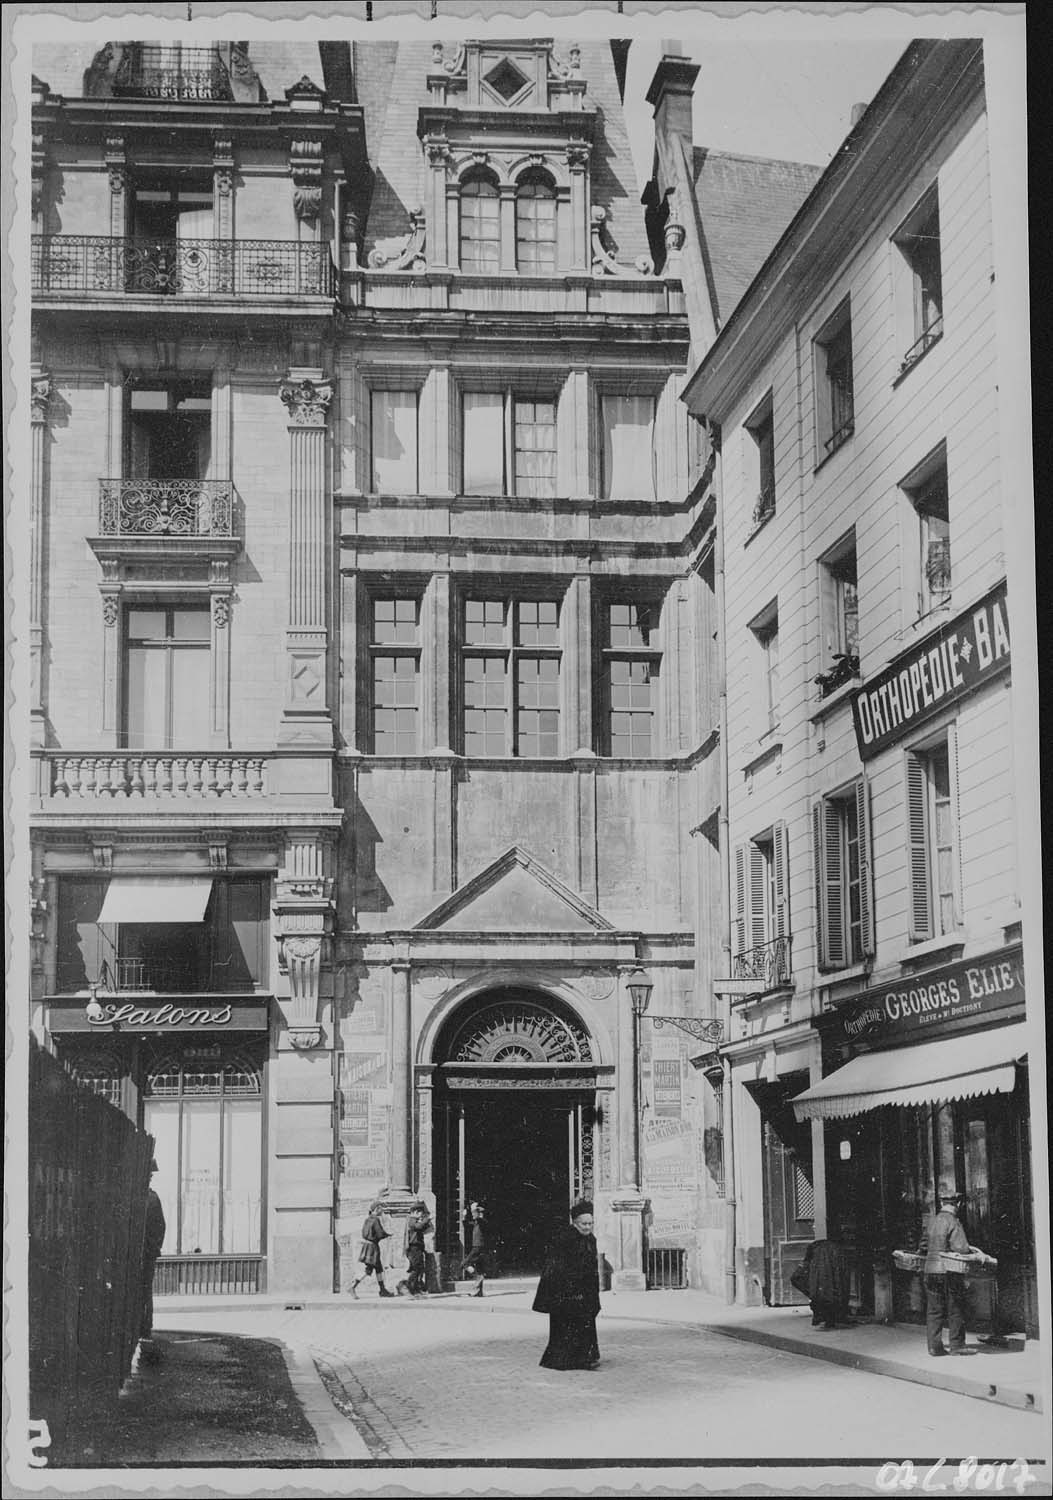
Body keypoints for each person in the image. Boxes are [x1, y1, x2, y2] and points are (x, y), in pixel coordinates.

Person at [533, 1200, 601, 1370]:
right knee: (566, 1326)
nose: (588, 1227)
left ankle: (584, 1358)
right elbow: (556, 1268)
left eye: (590, 1223)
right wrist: (570, 1289)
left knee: (585, 1324)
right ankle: (563, 1360)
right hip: (566, 1292)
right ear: (575, 1223)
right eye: (584, 1224)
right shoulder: (564, 1238)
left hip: (585, 1290)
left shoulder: (591, 1239)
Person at [919, 1191, 988, 1356]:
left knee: (934, 1309)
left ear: (942, 1203)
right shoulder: (953, 1222)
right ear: (957, 1204)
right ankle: (957, 1346)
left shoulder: (932, 1221)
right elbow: (961, 1248)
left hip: (930, 1270)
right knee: (955, 1307)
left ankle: (934, 1347)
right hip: (949, 1271)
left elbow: (922, 1246)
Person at [139, 1158, 166, 1361]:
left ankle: (144, 1328)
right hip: (147, 1255)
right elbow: (160, 1228)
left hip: (144, 1254)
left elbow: (160, 1228)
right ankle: (145, 1329)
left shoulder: (148, 1198)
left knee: (143, 1292)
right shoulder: (151, 1198)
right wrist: (154, 1247)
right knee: (145, 1292)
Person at [799, 1229, 852, 1330]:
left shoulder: (816, 1247)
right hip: (828, 1282)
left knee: (822, 1295)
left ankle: (826, 1319)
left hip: (819, 1281)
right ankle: (832, 1319)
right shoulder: (836, 1249)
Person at [349, 1201, 394, 1298]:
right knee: (368, 1269)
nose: (382, 1210)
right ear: (377, 1209)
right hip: (372, 1248)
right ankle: (353, 1286)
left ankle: (382, 1290)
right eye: (381, 1208)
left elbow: (364, 1233)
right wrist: (388, 1234)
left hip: (368, 1246)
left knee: (378, 1269)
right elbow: (380, 1233)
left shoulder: (368, 1219)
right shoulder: (376, 1220)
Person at [399, 1201, 433, 1297]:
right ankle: (407, 1287)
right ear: (416, 1212)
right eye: (421, 1213)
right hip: (413, 1248)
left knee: (419, 1268)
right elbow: (418, 1227)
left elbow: (421, 1228)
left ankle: (415, 1289)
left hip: (417, 1248)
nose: (421, 1215)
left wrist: (427, 1222)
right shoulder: (411, 1220)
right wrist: (427, 1219)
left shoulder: (414, 1220)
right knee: (416, 1268)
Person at [463, 1201, 489, 1293]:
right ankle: (479, 1292)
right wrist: (464, 1217)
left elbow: (478, 1218)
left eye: (475, 1212)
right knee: (479, 1268)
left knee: (465, 1264)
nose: (473, 1215)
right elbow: (466, 1224)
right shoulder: (477, 1222)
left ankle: (479, 1277)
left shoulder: (482, 1221)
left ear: (480, 1213)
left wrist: (473, 1208)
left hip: (478, 1247)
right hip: (478, 1246)